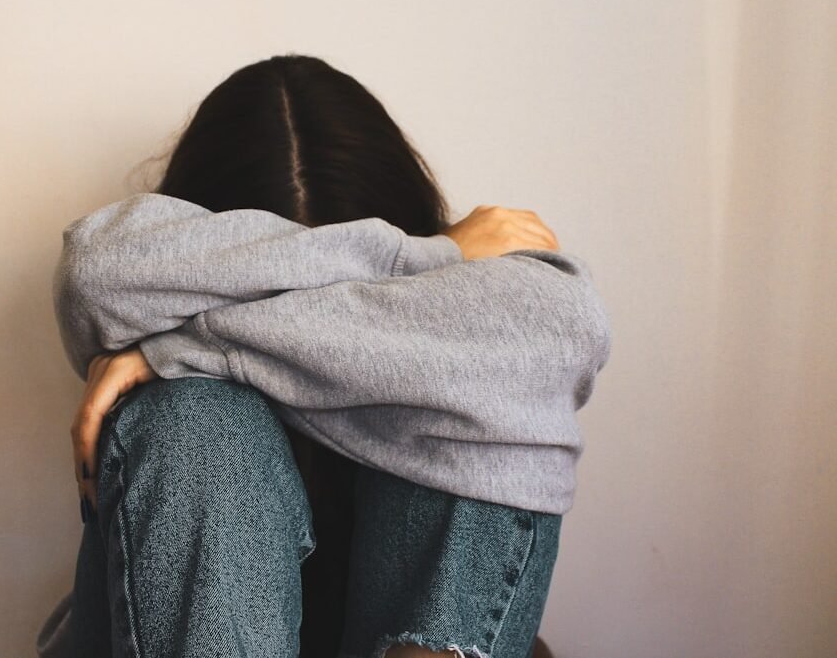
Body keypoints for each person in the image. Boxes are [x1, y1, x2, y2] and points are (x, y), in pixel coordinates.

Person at [45, 54, 612, 658]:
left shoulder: (174, 330)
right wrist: (428, 257)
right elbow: (94, 273)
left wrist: (183, 342)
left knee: (477, 389)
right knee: (191, 417)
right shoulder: (436, 262)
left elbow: (568, 324)